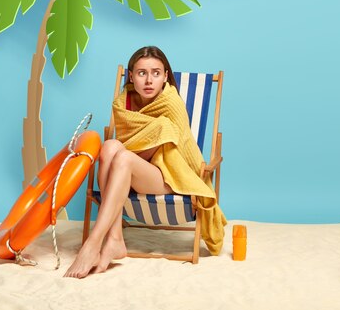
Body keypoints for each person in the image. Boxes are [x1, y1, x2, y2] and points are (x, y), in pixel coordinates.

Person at [64, 46, 225, 278]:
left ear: (165, 76)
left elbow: (181, 152)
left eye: (156, 73)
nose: (149, 80)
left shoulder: (171, 104)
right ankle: (115, 238)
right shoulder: (124, 102)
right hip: (132, 170)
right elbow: (130, 148)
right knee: (110, 146)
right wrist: (125, 155)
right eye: (142, 73)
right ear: (131, 76)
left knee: (126, 154)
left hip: (171, 176)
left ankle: (93, 242)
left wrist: (201, 181)